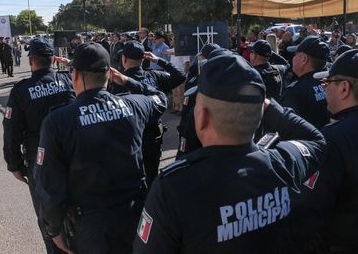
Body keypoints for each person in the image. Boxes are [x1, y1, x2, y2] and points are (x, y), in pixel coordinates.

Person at [133, 52, 326, 253]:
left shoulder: (173, 188)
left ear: (202, 118)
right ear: (260, 114)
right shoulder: (282, 162)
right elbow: (316, 140)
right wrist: (267, 107)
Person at [34, 42, 168, 254]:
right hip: (133, 217)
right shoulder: (134, 105)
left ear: (75, 75)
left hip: (89, 227)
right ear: (110, 74)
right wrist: (127, 80)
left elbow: (48, 182)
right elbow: (160, 98)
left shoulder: (58, 121)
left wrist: (54, 228)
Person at [3, 38, 75, 254]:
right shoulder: (69, 80)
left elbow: (11, 130)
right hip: (74, 156)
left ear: (31, 61)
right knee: (78, 210)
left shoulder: (21, 91)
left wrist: (14, 164)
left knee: (48, 217)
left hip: (40, 163)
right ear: (53, 59)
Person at [294, 49, 358, 253]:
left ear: (344, 89)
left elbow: (310, 207)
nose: (325, 90)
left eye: (327, 83)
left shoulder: (333, 137)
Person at [111, 41, 185, 186]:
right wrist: (159, 60)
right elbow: (180, 75)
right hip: (153, 138)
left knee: (132, 181)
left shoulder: (118, 81)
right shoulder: (155, 76)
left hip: (130, 140)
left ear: (124, 59)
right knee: (151, 177)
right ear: (144, 58)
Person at [280, 36, 330, 129]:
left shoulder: (294, 91)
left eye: (295, 54)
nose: (293, 58)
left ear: (304, 59)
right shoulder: (331, 84)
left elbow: (287, 128)